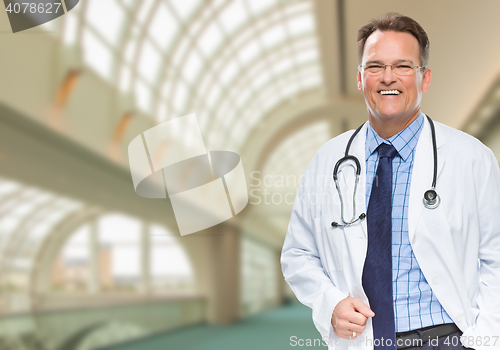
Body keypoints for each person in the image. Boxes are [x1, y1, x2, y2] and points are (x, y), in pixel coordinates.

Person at [281, 13, 500, 350]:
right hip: (362, 340)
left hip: (447, 340)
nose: (387, 78)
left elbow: (496, 256)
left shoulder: (471, 157)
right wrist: (330, 303)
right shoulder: (328, 160)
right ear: (359, 79)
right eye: (374, 67)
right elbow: (297, 254)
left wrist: (484, 339)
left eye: (403, 66)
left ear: (424, 78)